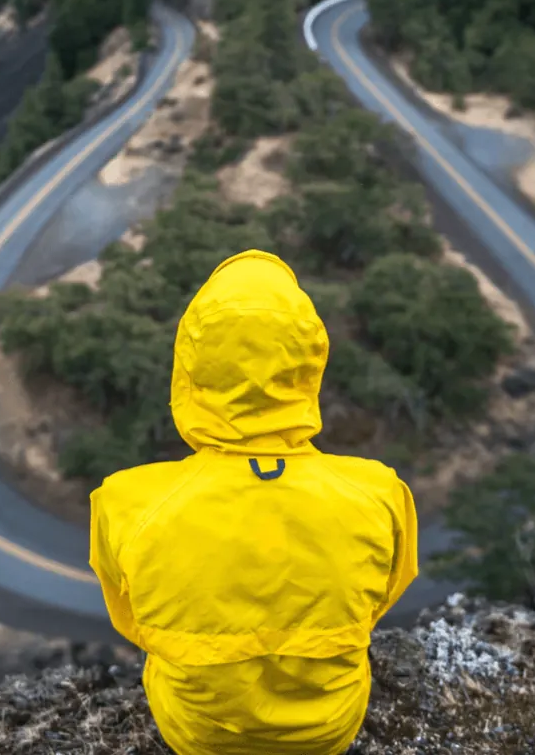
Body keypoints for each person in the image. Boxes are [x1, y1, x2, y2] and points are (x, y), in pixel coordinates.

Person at [89, 249, 420, 755]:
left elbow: (134, 621)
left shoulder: (126, 502)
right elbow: (377, 604)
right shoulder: (379, 493)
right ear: (309, 366)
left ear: (189, 371)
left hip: (197, 735)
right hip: (328, 731)